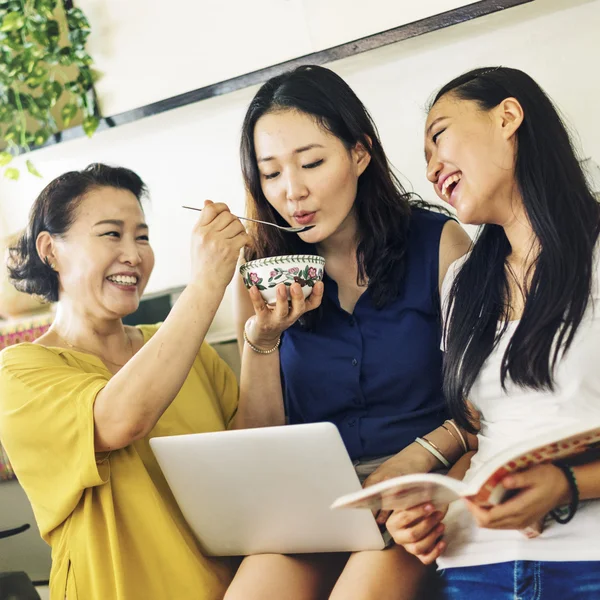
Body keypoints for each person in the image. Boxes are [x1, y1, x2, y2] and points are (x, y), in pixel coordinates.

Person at [229, 65, 472, 599]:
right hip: (314, 503)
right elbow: (259, 450)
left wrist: (420, 458)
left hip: (420, 489)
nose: (292, 192)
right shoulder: (262, 272)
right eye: (270, 174)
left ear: (360, 153)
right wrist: (262, 341)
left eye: (312, 162)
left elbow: (487, 406)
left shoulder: (440, 245)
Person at [0, 164, 284, 600]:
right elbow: (120, 421)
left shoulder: (185, 349)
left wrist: (263, 340)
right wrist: (208, 280)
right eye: (112, 234)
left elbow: (253, 456)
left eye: (143, 236)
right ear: (50, 249)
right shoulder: (19, 372)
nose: (134, 254)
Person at [386, 66, 600, 599]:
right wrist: (430, 509)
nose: (432, 169)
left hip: (587, 554)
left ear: (507, 116)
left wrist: (566, 484)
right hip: (477, 560)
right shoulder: (463, 281)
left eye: (439, 137)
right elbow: (484, 430)